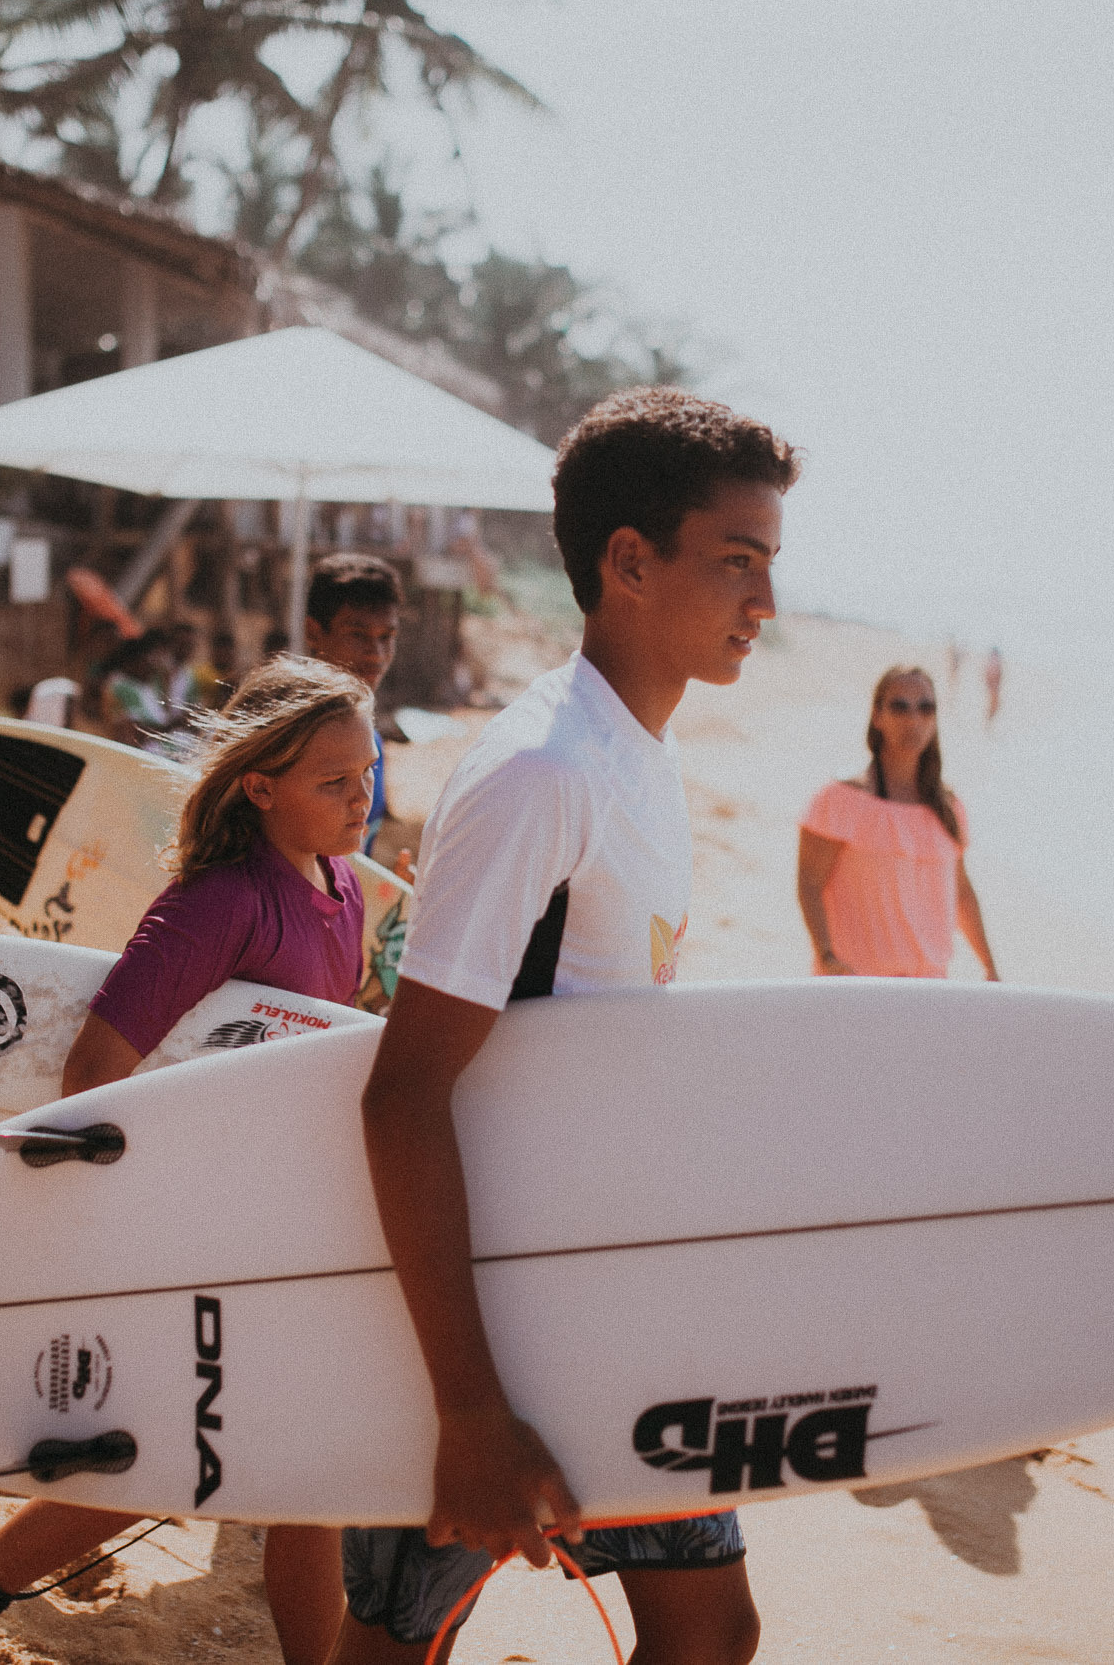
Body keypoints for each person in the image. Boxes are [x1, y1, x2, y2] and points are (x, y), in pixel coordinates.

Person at [335, 387, 798, 1665]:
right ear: (629, 562)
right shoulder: (543, 771)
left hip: (603, 1296)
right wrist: (467, 1407)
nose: (766, 599)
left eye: (769, 561)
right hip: (485, 1318)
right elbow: (403, 1092)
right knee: (398, 1641)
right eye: (737, 560)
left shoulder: (633, 752)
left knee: (708, 1631)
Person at [0, 656, 381, 1665]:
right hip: (207, 1225)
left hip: (286, 1221)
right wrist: (125, 1216)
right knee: (215, 1453)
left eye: (365, 771)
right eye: (333, 781)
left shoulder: (344, 887)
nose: (360, 797)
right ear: (258, 785)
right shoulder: (221, 901)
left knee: (286, 1464)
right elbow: (96, 1065)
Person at [796, 667, 998, 982]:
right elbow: (809, 882)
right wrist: (826, 956)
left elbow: (961, 893)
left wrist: (989, 967)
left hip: (930, 988)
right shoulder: (840, 800)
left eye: (926, 708)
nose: (913, 719)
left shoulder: (948, 807)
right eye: (900, 707)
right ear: (877, 716)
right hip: (856, 984)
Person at [303, 553, 404, 855]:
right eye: (357, 635)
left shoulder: (369, 740)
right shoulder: (287, 737)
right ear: (313, 633)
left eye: (386, 637)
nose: (376, 654)